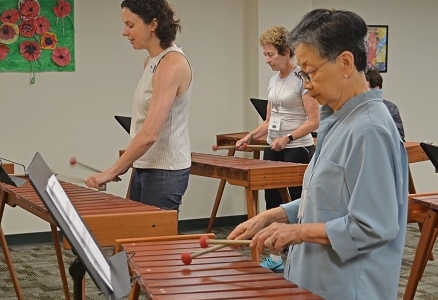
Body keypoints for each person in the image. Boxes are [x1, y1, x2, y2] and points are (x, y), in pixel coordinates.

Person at [228, 9, 408, 300]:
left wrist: (297, 233)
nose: (306, 84)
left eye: (310, 72)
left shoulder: (370, 129)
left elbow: (374, 226)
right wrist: (277, 214)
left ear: (346, 62)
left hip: (348, 287)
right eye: (302, 74)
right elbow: (332, 197)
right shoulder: (338, 118)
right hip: (317, 280)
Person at [85, 0, 192, 212]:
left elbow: (150, 133)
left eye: (130, 25)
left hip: (164, 171)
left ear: (153, 24)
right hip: (145, 165)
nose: (125, 32)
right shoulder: (151, 62)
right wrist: (124, 165)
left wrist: (112, 170)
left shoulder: (171, 64)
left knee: (154, 243)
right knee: (132, 239)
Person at [236, 26, 320, 273]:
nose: (267, 60)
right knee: (271, 200)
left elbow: (315, 120)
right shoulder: (274, 81)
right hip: (273, 145)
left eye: (271, 54)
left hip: (296, 148)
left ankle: (299, 251)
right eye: (265, 54)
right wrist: (250, 136)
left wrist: (288, 137)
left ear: (286, 52)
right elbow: (268, 119)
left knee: (295, 201)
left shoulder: (300, 79)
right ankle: (275, 256)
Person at [365, 68, 406, 141]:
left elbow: (399, 136)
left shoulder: (390, 108)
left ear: (376, 89)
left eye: (365, 88)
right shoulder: (358, 108)